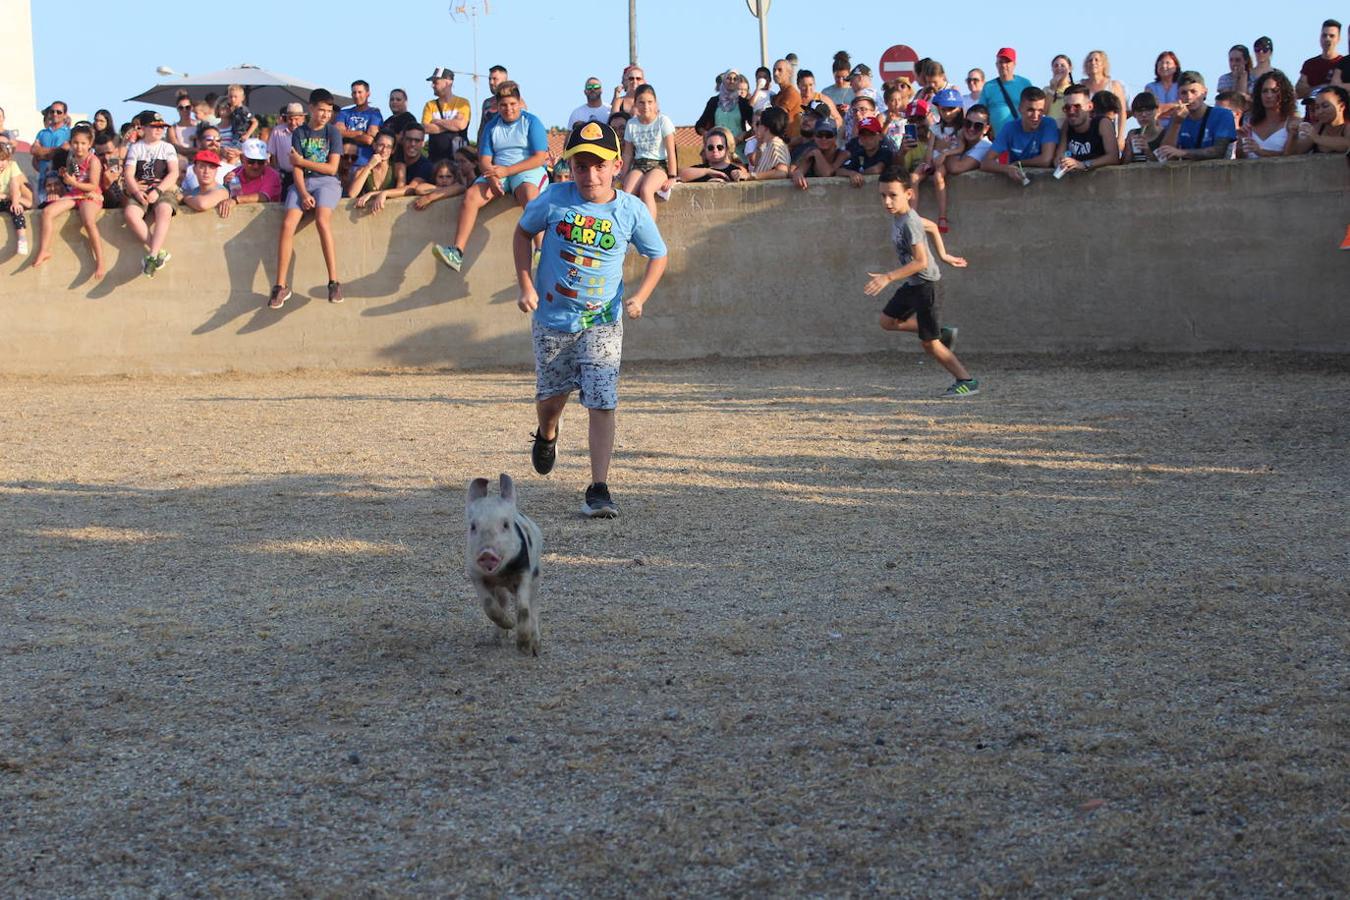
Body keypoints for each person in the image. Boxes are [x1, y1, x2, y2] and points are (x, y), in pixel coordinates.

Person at [514, 121, 668, 518]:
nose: (590, 174)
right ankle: (547, 432)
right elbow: (521, 232)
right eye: (581, 166)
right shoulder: (554, 199)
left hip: (602, 322)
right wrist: (525, 285)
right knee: (550, 399)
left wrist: (640, 296)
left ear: (617, 165)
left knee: (602, 401)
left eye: (599, 165)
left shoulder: (630, 210)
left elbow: (658, 255)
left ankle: (599, 487)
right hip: (552, 319)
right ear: (570, 168)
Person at [865, 167, 976, 398]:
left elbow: (921, 262)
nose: (887, 201)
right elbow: (933, 227)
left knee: (929, 344)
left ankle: (967, 380)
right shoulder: (902, 216)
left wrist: (888, 277)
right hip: (913, 284)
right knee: (887, 321)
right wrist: (944, 255)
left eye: (893, 195)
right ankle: (938, 331)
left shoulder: (909, 223)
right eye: (883, 195)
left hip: (927, 287)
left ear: (908, 194)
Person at [432, 81, 548, 273]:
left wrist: (507, 172)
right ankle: (457, 252)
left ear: (519, 102)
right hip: (497, 172)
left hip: (527, 169)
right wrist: (493, 178)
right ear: (497, 106)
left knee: (529, 194)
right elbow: (484, 159)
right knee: (471, 196)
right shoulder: (492, 127)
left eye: (512, 104)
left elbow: (540, 157)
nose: (508, 109)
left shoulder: (532, 122)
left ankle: (541, 249)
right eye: (503, 105)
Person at [269, 89, 344, 309]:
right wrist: (302, 193)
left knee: (322, 219)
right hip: (302, 184)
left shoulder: (333, 133)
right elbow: (296, 169)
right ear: (310, 108)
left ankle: (333, 281)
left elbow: (332, 168)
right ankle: (280, 286)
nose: (324, 115)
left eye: (329, 111)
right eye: (321, 110)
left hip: (328, 183)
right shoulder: (300, 133)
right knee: (287, 225)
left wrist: (302, 161)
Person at [32, 122, 104, 277]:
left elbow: (93, 185)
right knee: (47, 212)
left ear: (89, 144)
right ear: (71, 143)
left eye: (83, 143)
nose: (79, 147)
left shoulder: (93, 161)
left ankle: (100, 262)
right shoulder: (70, 157)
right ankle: (44, 250)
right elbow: (70, 180)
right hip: (75, 193)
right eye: (76, 143)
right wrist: (66, 178)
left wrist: (73, 182)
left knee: (88, 222)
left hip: (90, 195)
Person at [122, 113, 179, 277]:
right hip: (142, 189)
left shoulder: (167, 147)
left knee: (164, 210)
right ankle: (158, 251)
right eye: (155, 126)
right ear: (144, 128)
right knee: (131, 214)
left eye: (161, 127)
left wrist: (158, 190)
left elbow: (173, 173)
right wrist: (136, 192)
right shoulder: (136, 147)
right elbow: (128, 174)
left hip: (163, 188)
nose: (159, 130)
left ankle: (152, 256)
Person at [620, 84, 677, 218]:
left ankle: (650, 229)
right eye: (641, 102)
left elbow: (671, 150)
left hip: (658, 165)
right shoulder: (631, 124)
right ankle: (629, 230)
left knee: (646, 190)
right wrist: (623, 175)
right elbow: (627, 154)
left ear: (655, 103)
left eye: (650, 102)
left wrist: (673, 176)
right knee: (627, 193)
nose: (646, 106)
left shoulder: (663, 121)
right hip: (639, 165)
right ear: (635, 104)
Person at [981, 87, 1059, 182]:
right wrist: (1007, 169)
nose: (1035, 116)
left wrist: (1018, 163)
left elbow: (1046, 160)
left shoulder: (1049, 124)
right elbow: (985, 163)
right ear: (1020, 109)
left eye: (1040, 111)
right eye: (1030, 110)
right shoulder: (1010, 128)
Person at [1157, 71, 1237, 161]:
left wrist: (1183, 152)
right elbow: (1165, 156)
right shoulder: (1177, 118)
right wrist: (1176, 124)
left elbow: (1218, 151)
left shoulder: (1223, 115)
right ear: (1178, 96)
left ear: (1204, 93)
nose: (1189, 97)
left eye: (1193, 91)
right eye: (1184, 93)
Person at [1056, 84, 1121, 173]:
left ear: (1089, 106)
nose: (1071, 111)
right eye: (1067, 107)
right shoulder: (1067, 125)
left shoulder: (1102, 123)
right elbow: (1058, 157)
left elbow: (1113, 157)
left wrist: (1083, 164)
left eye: (1077, 107)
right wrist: (1062, 163)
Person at [1239, 71, 1298, 158]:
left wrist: (1261, 152)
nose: (1269, 96)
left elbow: (1290, 156)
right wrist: (1240, 143)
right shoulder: (1250, 123)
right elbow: (1241, 159)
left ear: (1284, 93)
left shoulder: (1292, 123)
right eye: (1264, 91)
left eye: (1274, 91)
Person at [216, 139, 281, 218]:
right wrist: (225, 185)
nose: (256, 166)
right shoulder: (234, 174)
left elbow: (264, 197)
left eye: (260, 162)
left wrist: (235, 200)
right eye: (251, 161)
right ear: (242, 158)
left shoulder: (272, 175)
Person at [694, 69, 755, 152]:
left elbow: (755, 126)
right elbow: (699, 125)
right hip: (718, 150)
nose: (731, 81)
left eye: (735, 79)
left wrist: (743, 136)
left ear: (738, 82)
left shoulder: (743, 103)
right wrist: (707, 135)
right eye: (729, 78)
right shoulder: (714, 101)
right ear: (724, 80)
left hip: (739, 150)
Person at [422, 67, 471, 162]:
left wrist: (437, 121)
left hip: (459, 161)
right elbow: (425, 128)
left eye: (436, 82)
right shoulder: (429, 105)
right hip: (435, 160)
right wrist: (452, 125)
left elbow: (460, 125)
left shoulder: (463, 103)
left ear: (448, 83)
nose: (432, 85)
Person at [982, 49, 1033, 138]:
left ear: (1014, 64)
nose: (1004, 65)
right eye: (1001, 62)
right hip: (998, 139)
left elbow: (1034, 106)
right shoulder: (988, 86)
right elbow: (981, 111)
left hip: (1021, 136)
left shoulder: (1025, 83)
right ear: (996, 65)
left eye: (1007, 62)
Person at [1284, 85, 1349, 155]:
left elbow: (1347, 144)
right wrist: (1293, 136)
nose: (1320, 111)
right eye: (1317, 107)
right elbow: (1293, 154)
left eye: (1325, 106)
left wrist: (1317, 138)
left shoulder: (1347, 127)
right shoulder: (1318, 128)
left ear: (1341, 106)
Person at [1081, 50, 1129, 142]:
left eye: (1096, 60)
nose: (1093, 63)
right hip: (1087, 133)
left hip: (1109, 132)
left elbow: (1122, 112)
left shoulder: (1114, 85)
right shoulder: (1081, 86)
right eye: (1090, 60)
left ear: (1103, 64)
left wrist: (1120, 137)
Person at [31, 102, 72, 206]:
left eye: (59, 112)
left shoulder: (69, 133)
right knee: (42, 206)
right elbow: (34, 150)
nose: (55, 114)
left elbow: (66, 149)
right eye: (52, 111)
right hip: (43, 177)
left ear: (65, 114)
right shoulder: (42, 133)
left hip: (60, 176)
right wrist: (57, 150)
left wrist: (43, 153)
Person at [338, 80, 384, 168]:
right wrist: (360, 133)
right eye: (354, 92)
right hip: (344, 164)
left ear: (368, 94)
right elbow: (338, 132)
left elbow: (369, 139)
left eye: (360, 92)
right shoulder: (344, 112)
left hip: (365, 165)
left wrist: (346, 133)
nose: (356, 95)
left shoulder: (374, 114)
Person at [788, 118, 846, 187]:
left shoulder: (842, 154)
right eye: (819, 135)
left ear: (835, 137)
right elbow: (799, 169)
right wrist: (798, 173)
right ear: (814, 137)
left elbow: (827, 173)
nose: (824, 139)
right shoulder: (810, 151)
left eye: (828, 135)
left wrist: (817, 153)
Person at [841, 114, 894, 187]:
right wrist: (851, 173)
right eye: (863, 135)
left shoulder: (885, 152)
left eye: (871, 135)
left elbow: (877, 169)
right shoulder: (859, 153)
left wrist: (859, 175)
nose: (867, 139)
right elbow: (840, 171)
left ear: (880, 137)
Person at [0, 133, 32, 256]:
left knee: (17, 210)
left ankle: (22, 238)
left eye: (3, 160)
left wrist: (15, 202)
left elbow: (14, 185)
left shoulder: (12, 166)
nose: (1, 163)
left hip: (8, 199)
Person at [1296, 20, 1343, 100]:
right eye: (1324, 35)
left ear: (1338, 39)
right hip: (1312, 110)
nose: (1327, 39)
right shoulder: (1310, 64)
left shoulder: (1344, 63)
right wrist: (1319, 88)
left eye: (1332, 36)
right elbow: (1298, 92)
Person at [683, 126, 748, 183]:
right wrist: (707, 172)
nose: (715, 150)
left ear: (727, 148)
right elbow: (679, 175)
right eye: (710, 147)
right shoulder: (699, 171)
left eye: (720, 147)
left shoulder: (735, 170)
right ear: (705, 149)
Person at [944, 103, 994, 177]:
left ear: (986, 129)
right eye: (968, 123)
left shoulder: (986, 146)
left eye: (978, 126)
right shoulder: (963, 142)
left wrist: (958, 144)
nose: (971, 129)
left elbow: (955, 168)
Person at [346, 131, 397, 199]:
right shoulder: (362, 169)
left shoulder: (397, 168)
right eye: (381, 145)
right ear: (374, 146)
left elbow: (399, 192)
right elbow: (352, 194)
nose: (384, 150)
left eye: (388, 147)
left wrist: (372, 194)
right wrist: (369, 166)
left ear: (393, 150)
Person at [178, 149, 231, 215]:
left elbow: (202, 204)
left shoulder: (221, 191)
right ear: (194, 169)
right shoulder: (194, 191)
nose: (206, 171)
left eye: (211, 167)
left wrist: (185, 198)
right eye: (202, 166)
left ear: (216, 171)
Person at [747, 106, 791, 181]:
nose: (756, 127)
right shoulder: (768, 144)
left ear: (766, 127)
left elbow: (782, 172)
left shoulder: (776, 144)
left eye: (758, 124)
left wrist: (751, 176)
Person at [268, 102, 305, 188]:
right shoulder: (277, 131)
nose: (293, 122)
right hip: (284, 175)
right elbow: (272, 154)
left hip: (304, 175)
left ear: (302, 118)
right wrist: (276, 173)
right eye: (290, 119)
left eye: (296, 119)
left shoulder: (307, 132)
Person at [1123, 93, 1165, 162]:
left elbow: (1164, 165)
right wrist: (1128, 150)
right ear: (1134, 114)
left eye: (1148, 110)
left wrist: (1147, 151)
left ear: (1157, 111)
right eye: (1139, 111)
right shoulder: (1132, 133)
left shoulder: (1164, 134)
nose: (1144, 115)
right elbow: (1124, 165)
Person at [1147, 51, 1183, 128]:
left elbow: (1183, 107)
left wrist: (1161, 111)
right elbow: (1151, 110)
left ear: (1176, 66)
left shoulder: (1181, 86)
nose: (1164, 66)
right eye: (1160, 63)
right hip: (1157, 129)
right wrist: (1173, 106)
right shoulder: (1150, 87)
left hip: (1179, 128)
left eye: (1167, 63)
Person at [770, 58, 803, 139]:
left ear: (789, 73)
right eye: (774, 70)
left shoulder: (791, 93)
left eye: (780, 70)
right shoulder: (778, 95)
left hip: (792, 142)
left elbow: (778, 115)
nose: (775, 73)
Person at [1045, 54, 1074, 123]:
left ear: (1069, 69)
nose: (1059, 68)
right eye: (1056, 66)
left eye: (1062, 65)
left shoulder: (1074, 89)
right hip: (1051, 127)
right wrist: (1052, 89)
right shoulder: (1046, 90)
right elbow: (1044, 111)